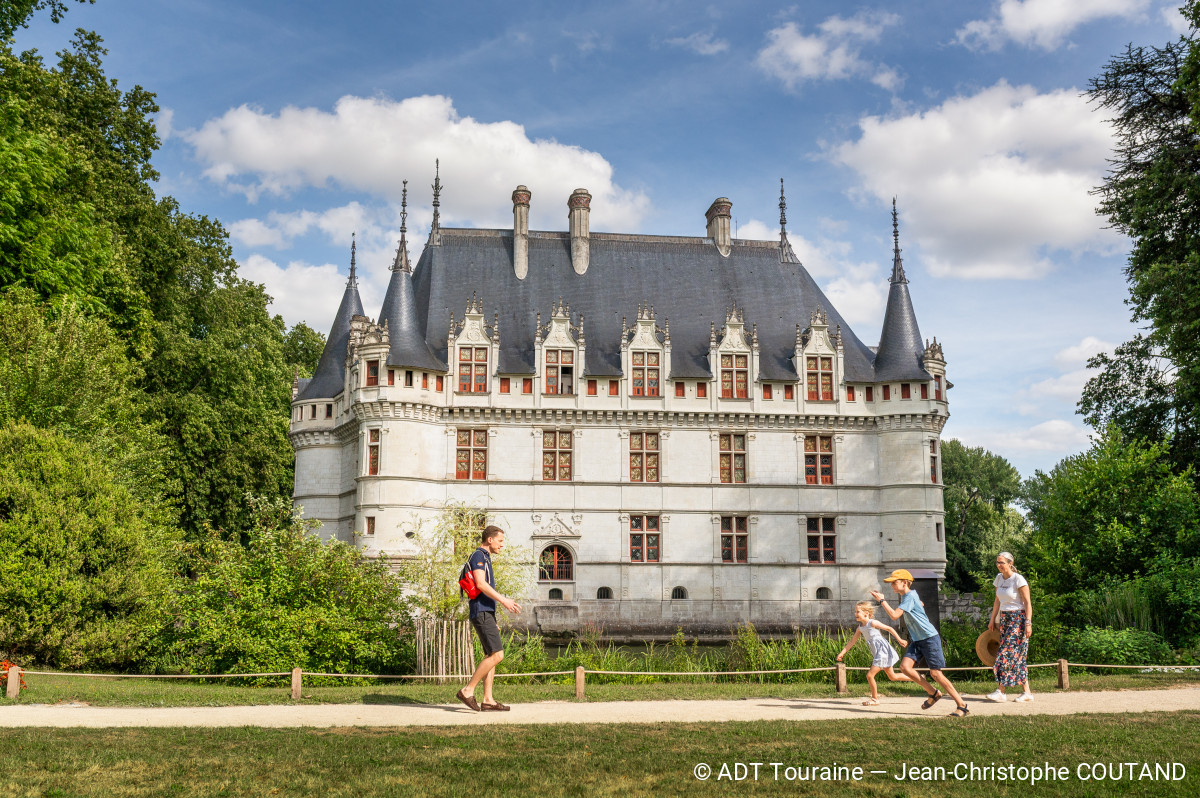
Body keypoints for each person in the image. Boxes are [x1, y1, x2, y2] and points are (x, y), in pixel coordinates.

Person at [870, 569, 969, 717]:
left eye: (894, 582)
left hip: (929, 638)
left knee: (936, 673)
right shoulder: (908, 597)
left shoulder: (909, 596)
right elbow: (917, 605)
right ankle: (933, 693)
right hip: (917, 640)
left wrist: (882, 601)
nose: (892, 586)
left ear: (905, 582)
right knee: (905, 668)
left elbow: (894, 615)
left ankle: (962, 705)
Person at [456, 525, 522, 712]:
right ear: (490, 540)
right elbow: (480, 584)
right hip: (481, 611)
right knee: (497, 655)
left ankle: (488, 700)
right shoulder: (478, 556)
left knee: (490, 655)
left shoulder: (485, 558)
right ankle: (467, 690)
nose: (502, 545)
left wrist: (493, 618)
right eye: (500, 541)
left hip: (486, 613)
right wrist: (505, 601)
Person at [836, 601, 911, 705]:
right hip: (877, 652)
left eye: (858, 612)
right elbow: (852, 641)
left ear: (866, 613)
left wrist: (900, 640)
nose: (855, 614)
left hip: (882, 651)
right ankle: (917, 678)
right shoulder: (860, 628)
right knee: (892, 677)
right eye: (855, 611)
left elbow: (889, 628)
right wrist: (842, 653)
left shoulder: (872, 623)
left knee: (870, 675)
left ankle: (875, 699)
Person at [986, 551, 1034, 703]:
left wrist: (1028, 622)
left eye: (1001, 562)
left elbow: (1027, 603)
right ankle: (1027, 693)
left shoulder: (1018, 579)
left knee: (1005, 654)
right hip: (1005, 619)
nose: (998, 565)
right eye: (997, 562)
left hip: (1018, 619)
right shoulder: (999, 579)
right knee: (1017, 656)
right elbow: (997, 601)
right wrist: (993, 619)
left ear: (1010, 563)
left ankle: (1001, 691)